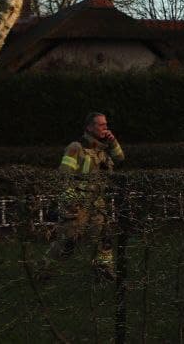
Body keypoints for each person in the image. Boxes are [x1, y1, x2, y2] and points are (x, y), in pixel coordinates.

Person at [43, 111, 125, 279]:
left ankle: (103, 268)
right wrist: (71, 202)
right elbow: (64, 176)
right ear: (89, 127)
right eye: (101, 125)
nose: (105, 128)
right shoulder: (76, 148)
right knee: (68, 241)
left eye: (106, 124)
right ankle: (45, 268)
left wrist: (113, 141)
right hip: (77, 203)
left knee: (104, 235)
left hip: (97, 202)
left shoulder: (104, 149)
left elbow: (120, 159)